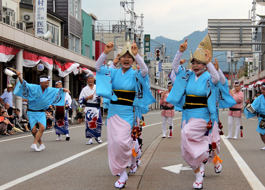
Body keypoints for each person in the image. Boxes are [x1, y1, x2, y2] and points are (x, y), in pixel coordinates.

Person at [95, 41, 155, 189]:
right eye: (124, 57)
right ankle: (122, 173)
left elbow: (145, 72)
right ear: (119, 59)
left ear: (133, 61)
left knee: (122, 142)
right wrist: (106, 52)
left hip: (129, 112)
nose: (126, 59)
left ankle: (135, 149)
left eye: (130, 57)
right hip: (114, 112)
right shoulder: (113, 72)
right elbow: (97, 68)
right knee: (114, 144)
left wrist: (137, 54)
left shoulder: (135, 74)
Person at [168, 36, 220, 189]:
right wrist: (180, 52)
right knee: (185, 148)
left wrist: (209, 63)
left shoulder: (209, 77)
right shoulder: (188, 76)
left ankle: (210, 160)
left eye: (199, 63)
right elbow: (175, 68)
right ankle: (199, 172)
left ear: (205, 64)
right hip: (188, 116)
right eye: (194, 63)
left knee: (198, 138)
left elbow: (217, 78)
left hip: (203, 117)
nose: (196, 65)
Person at [13, 72, 69, 152]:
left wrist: (64, 89)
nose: (47, 84)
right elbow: (24, 84)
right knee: (34, 131)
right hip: (31, 112)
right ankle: (41, 144)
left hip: (41, 112)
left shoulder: (49, 90)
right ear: (41, 83)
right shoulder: (34, 87)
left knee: (42, 128)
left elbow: (57, 90)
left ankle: (34, 143)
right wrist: (19, 76)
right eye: (45, 83)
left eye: (48, 83)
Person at [79, 74, 102, 145]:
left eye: (92, 78)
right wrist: (87, 98)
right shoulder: (84, 89)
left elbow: (102, 97)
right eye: (89, 78)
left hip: (96, 107)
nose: (90, 80)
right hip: (89, 108)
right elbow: (80, 99)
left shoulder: (98, 87)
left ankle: (97, 137)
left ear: (94, 79)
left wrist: (99, 98)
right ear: (87, 80)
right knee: (89, 123)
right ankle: (90, 139)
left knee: (97, 122)